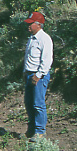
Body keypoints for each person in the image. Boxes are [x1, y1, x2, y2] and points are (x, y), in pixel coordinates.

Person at [23, 11, 53, 141]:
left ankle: (40, 132)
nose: (28, 26)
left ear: (38, 25)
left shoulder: (44, 39)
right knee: (29, 103)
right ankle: (32, 129)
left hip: (38, 76)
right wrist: (25, 73)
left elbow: (46, 60)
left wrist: (38, 75)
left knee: (38, 104)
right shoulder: (31, 38)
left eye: (31, 24)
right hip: (29, 74)